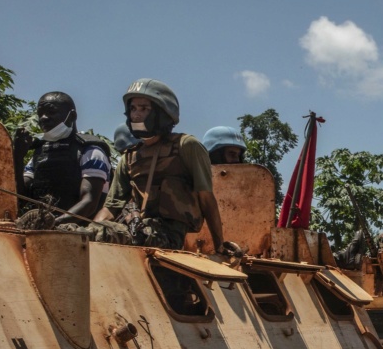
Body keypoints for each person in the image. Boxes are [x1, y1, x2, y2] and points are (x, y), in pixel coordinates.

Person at [94, 79, 229, 254]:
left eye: (144, 108)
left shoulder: (186, 146)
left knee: (112, 235)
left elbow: (206, 198)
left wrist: (220, 246)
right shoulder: (129, 157)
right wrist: (92, 230)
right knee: (79, 232)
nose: (136, 115)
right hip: (136, 229)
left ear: (162, 113)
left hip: (168, 236)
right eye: (133, 108)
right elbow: (111, 206)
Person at [12, 92, 112, 229]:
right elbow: (19, 199)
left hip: (83, 237)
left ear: (72, 116)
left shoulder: (90, 151)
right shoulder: (39, 153)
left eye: (51, 112)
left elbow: (89, 202)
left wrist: (54, 224)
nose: (44, 118)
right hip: (40, 233)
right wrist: (17, 158)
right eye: (40, 114)